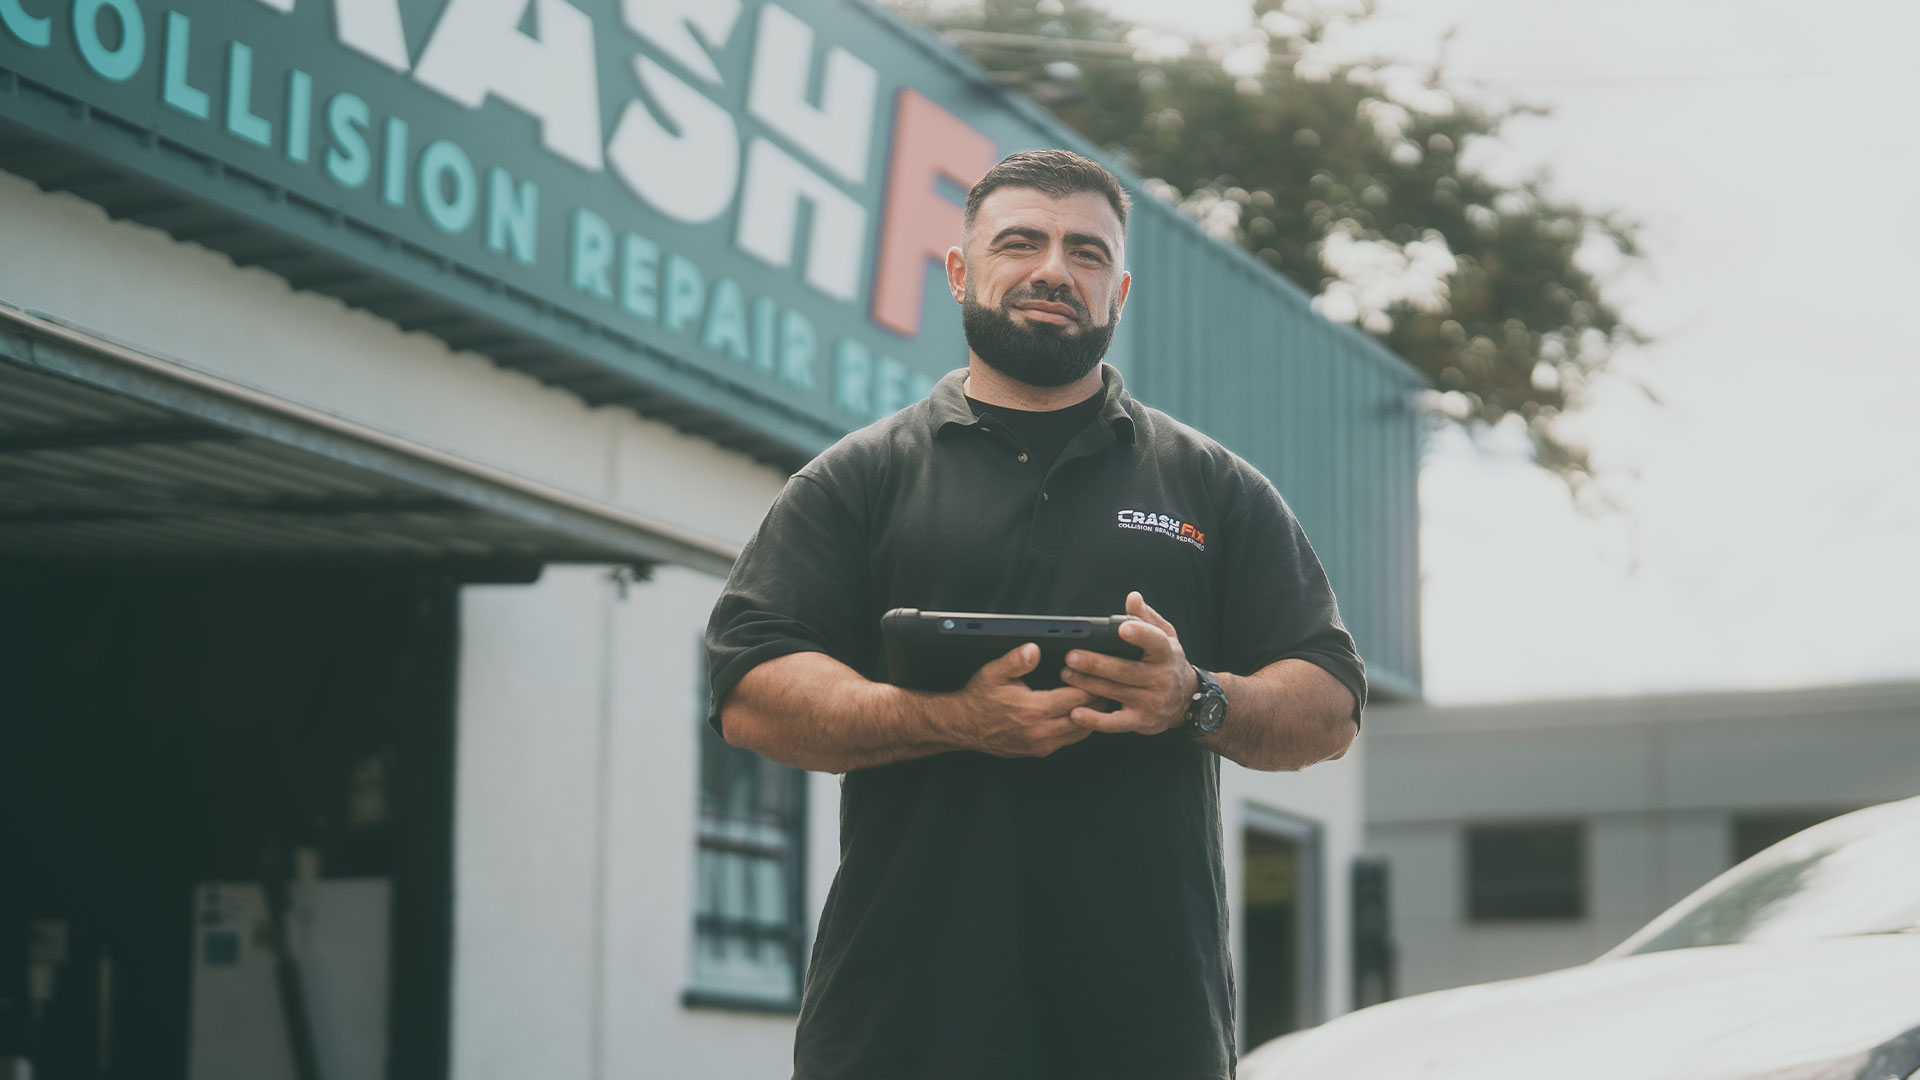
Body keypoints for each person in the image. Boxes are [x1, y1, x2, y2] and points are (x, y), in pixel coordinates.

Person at [704, 148, 1365, 1080]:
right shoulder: (860, 478)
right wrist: (951, 720)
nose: (1056, 269)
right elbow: (750, 689)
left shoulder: (1212, 486)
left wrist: (1195, 697)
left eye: (1087, 253)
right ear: (962, 273)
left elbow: (1330, 702)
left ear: (1119, 292)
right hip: (902, 1023)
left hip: (1147, 1024)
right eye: (1022, 242)